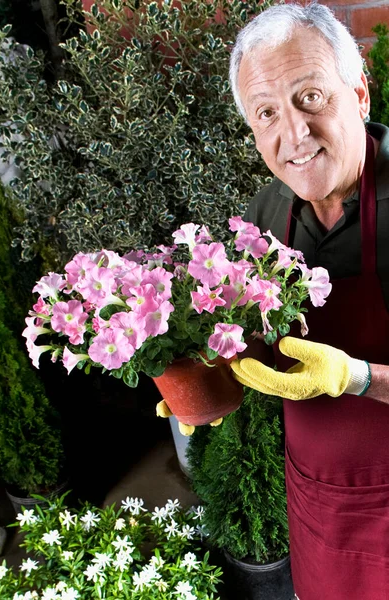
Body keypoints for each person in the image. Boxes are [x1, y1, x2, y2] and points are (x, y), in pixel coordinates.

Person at [228, 3, 389, 600]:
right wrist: (204, 374)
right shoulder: (266, 214)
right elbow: (257, 344)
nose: (293, 135)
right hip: (317, 505)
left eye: (311, 98)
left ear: (360, 94)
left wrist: (355, 376)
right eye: (267, 112)